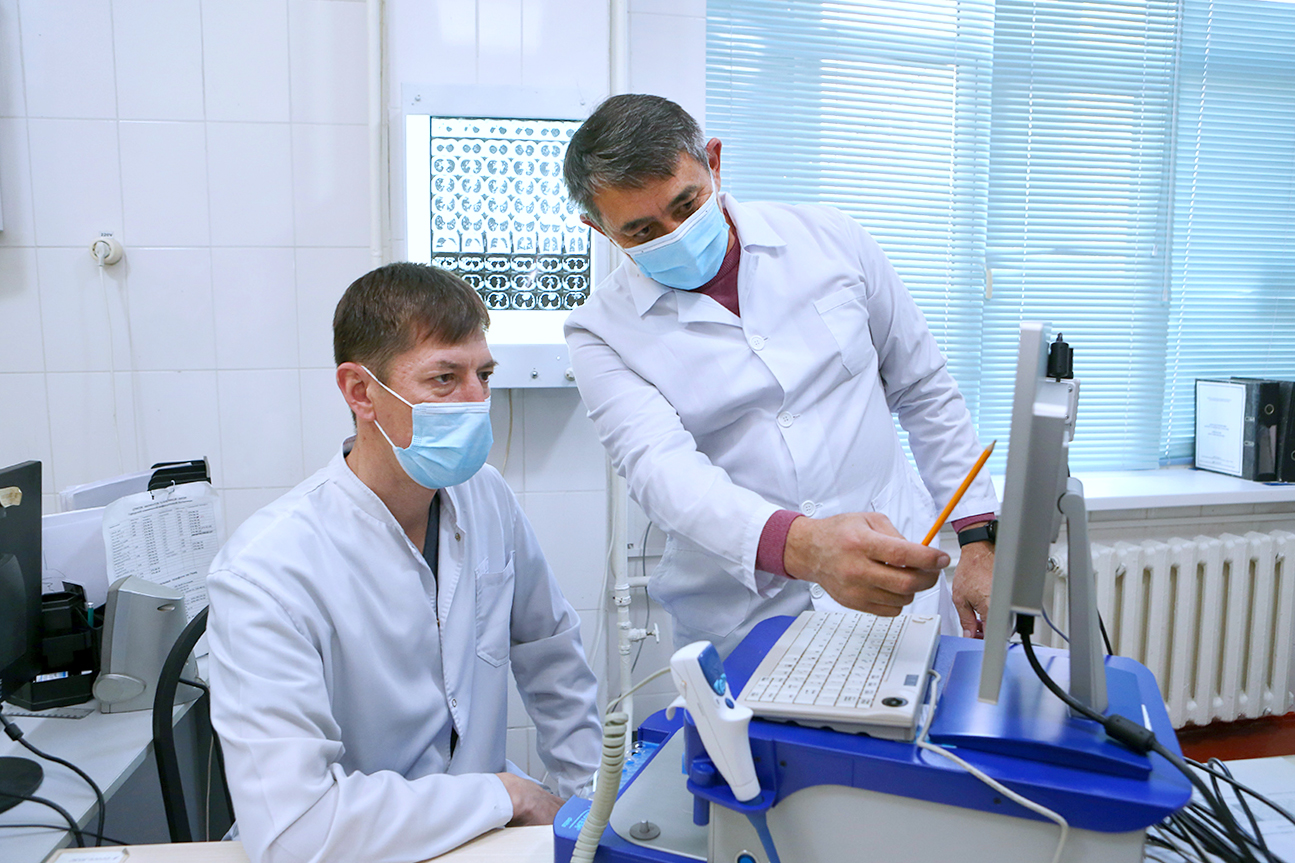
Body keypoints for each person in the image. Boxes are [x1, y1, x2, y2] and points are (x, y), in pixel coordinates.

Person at [563, 94, 999, 656]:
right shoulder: (600, 332)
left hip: (894, 583)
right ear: (598, 228)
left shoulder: (831, 240)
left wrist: (978, 540)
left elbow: (924, 389)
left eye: (687, 204)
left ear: (713, 162)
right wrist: (805, 546)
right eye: (642, 231)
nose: (675, 234)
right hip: (746, 619)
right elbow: (663, 473)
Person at [206, 263, 602, 863]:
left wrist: (589, 809)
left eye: (483, 376)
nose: (476, 402)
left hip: (483, 837)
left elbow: (552, 656)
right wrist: (506, 795)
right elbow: (297, 832)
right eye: (444, 379)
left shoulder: (486, 496)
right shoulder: (266, 572)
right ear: (360, 392)